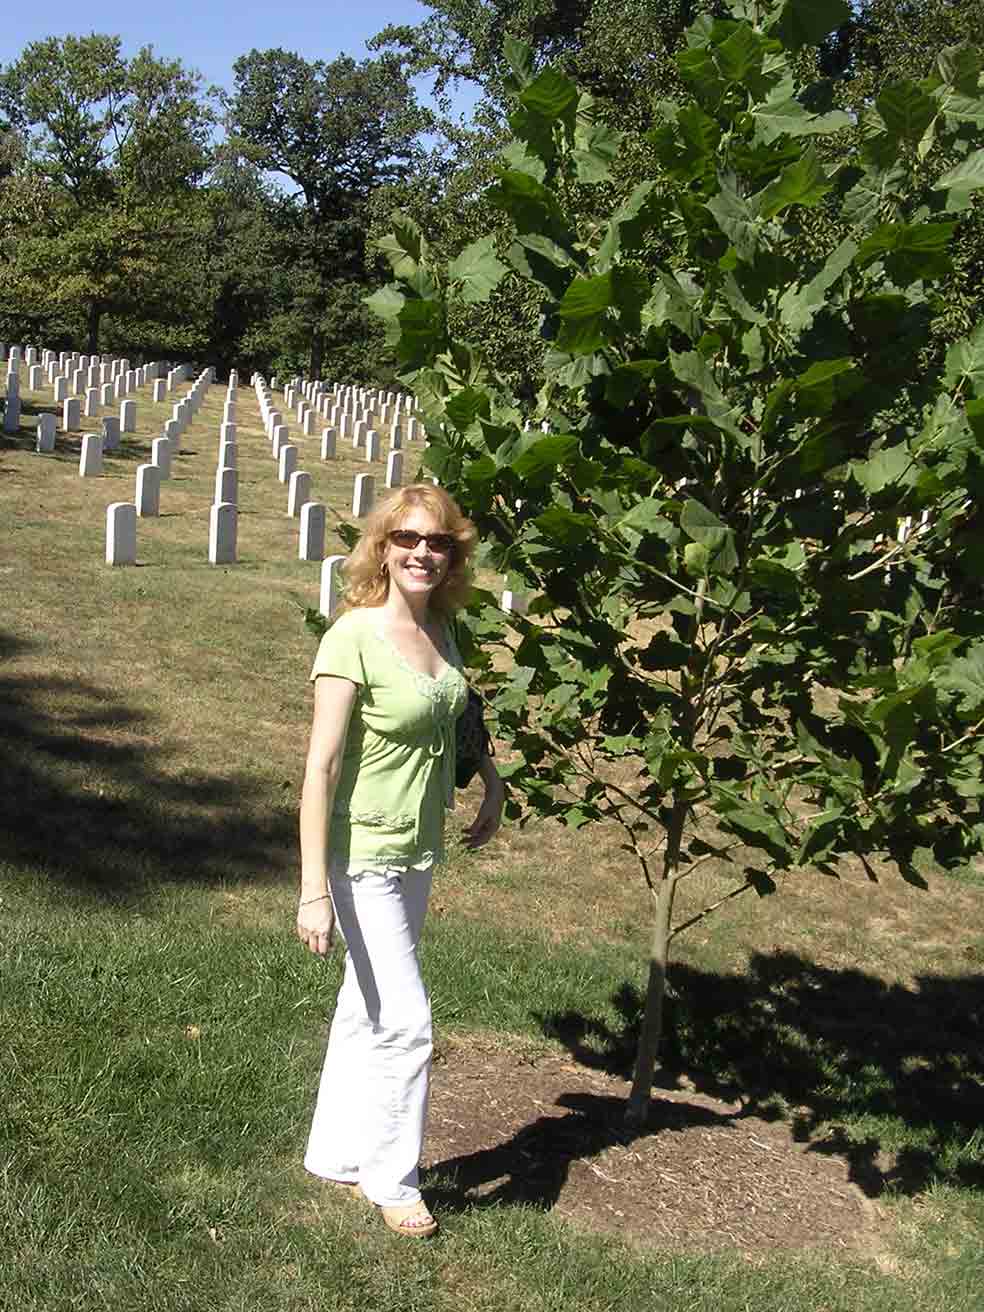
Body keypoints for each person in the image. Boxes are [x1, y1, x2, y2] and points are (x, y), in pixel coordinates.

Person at [296, 483, 505, 1239]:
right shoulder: (351, 637)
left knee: (368, 1005)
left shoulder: (446, 630)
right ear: (382, 549)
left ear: (453, 556)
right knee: (409, 1023)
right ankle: (393, 1179)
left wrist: (492, 779)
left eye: (438, 541)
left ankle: (337, 1153)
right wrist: (312, 890)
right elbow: (318, 769)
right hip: (362, 852)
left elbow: (458, 714)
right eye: (408, 538)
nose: (423, 552)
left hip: (418, 847)